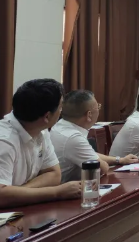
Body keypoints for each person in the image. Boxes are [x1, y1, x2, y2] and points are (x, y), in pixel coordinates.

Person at [0, 79, 81, 209]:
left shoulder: (41, 130)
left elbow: (54, 174)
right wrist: (57, 192)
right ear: (47, 117)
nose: (61, 111)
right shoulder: (4, 140)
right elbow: (1, 196)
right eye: (60, 107)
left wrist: (18, 193)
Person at [50, 90, 139, 182]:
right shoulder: (73, 138)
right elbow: (102, 169)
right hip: (66, 188)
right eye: (98, 107)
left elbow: (89, 153)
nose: (99, 110)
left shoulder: (59, 126)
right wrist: (105, 163)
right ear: (89, 115)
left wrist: (119, 160)